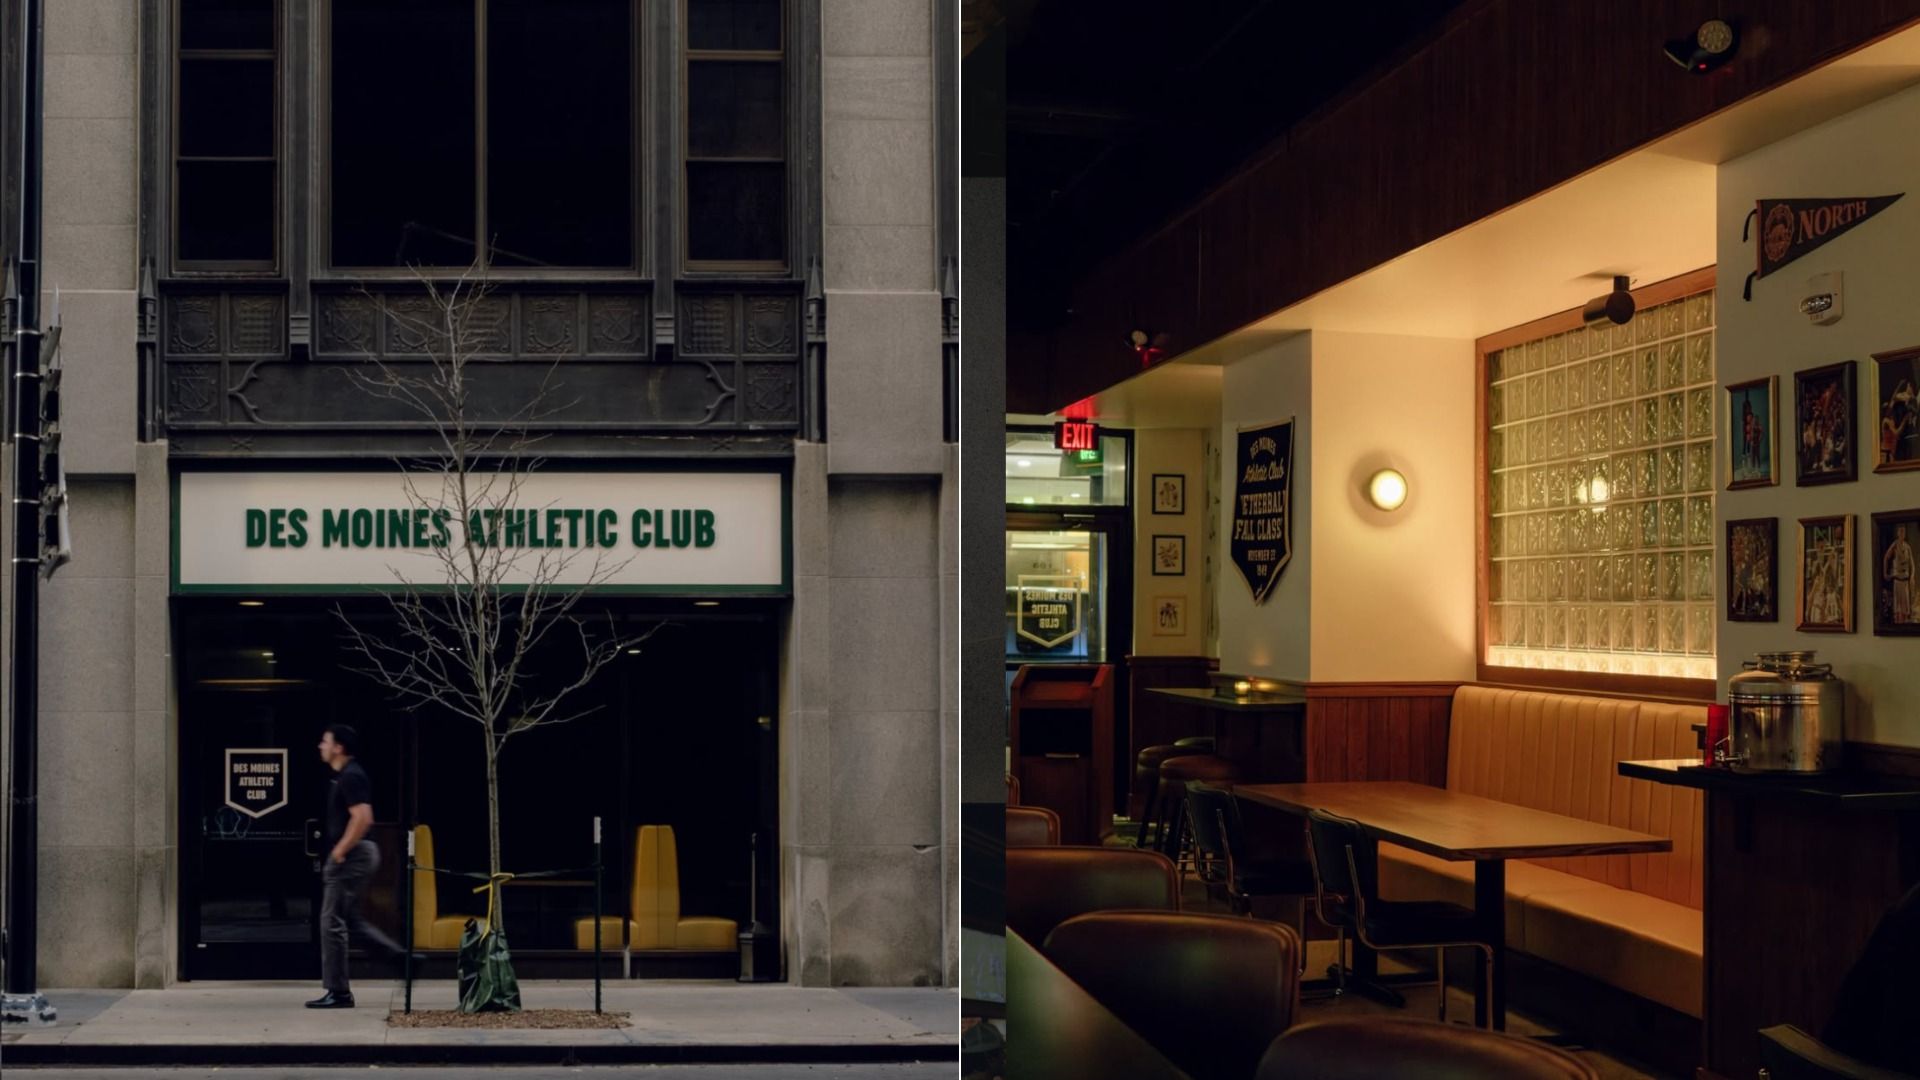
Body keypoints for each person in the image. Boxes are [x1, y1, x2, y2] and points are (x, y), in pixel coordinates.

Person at [307, 723, 409, 1008]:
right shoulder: (346, 775)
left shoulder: (351, 775)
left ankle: (339, 992)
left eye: (325, 741)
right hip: (359, 852)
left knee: (331, 922)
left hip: (354, 854)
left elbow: (363, 817)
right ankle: (401, 959)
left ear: (338, 747)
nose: (321, 746)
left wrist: (339, 851)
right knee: (349, 918)